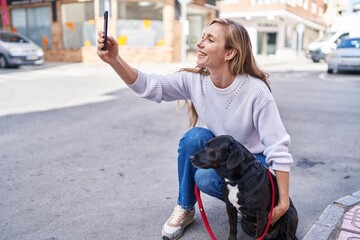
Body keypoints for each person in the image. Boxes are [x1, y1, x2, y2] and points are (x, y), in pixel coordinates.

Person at [97, 18, 294, 240]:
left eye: (210, 39)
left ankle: (244, 202)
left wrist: (283, 201)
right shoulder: (195, 81)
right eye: (202, 37)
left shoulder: (256, 92)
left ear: (229, 53)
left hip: (254, 163)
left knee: (207, 179)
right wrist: (115, 60)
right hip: (224, 154)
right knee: (194, 137)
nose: (200, 43)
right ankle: (185, 207)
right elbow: (149, 87)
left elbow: (278, 148)